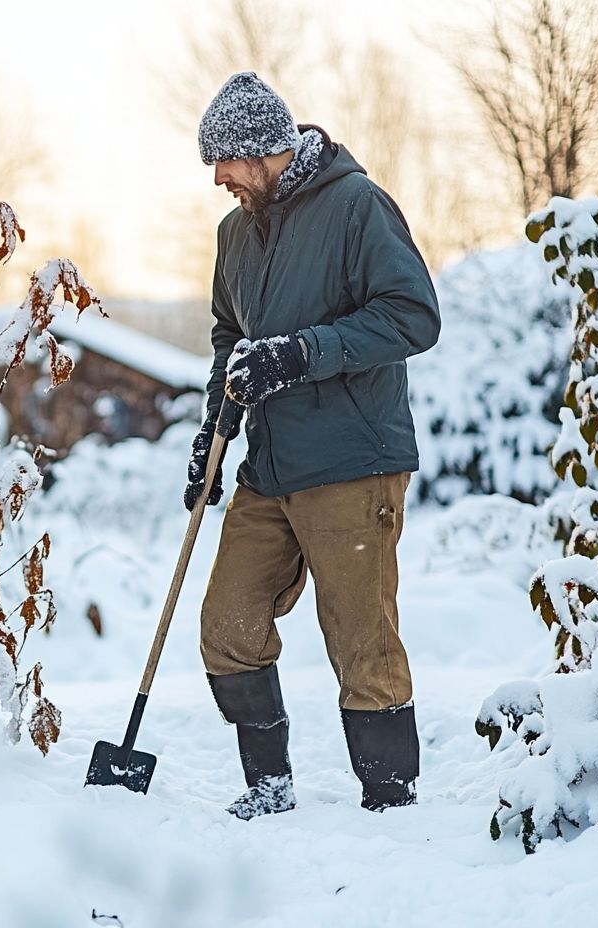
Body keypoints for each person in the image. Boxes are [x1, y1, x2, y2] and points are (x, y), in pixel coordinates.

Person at [185, 72, 441, 819]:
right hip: (269, 466)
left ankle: (390, 800)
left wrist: (302, 352)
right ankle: (269, 784)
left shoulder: (356, 207)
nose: (217, 179)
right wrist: (213, 432)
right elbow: (229, 342)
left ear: (264, 150)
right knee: (227, 625)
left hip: (352, 461)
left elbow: (412, 317)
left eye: (226, 163)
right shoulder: (236, 232)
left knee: (361, 641)